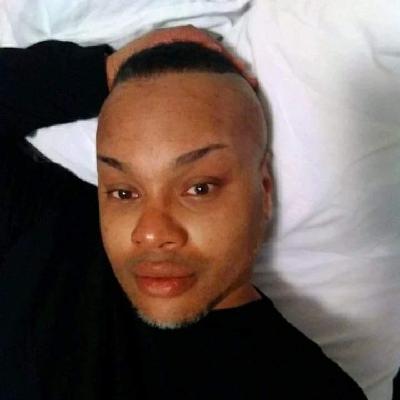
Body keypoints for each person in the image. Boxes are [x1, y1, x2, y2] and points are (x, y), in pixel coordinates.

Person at [0, 27, 367, 399]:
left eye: (199, 188)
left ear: (265, 191)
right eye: (124, 192)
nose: (152, 232)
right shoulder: (48, 234)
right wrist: (98, 72)